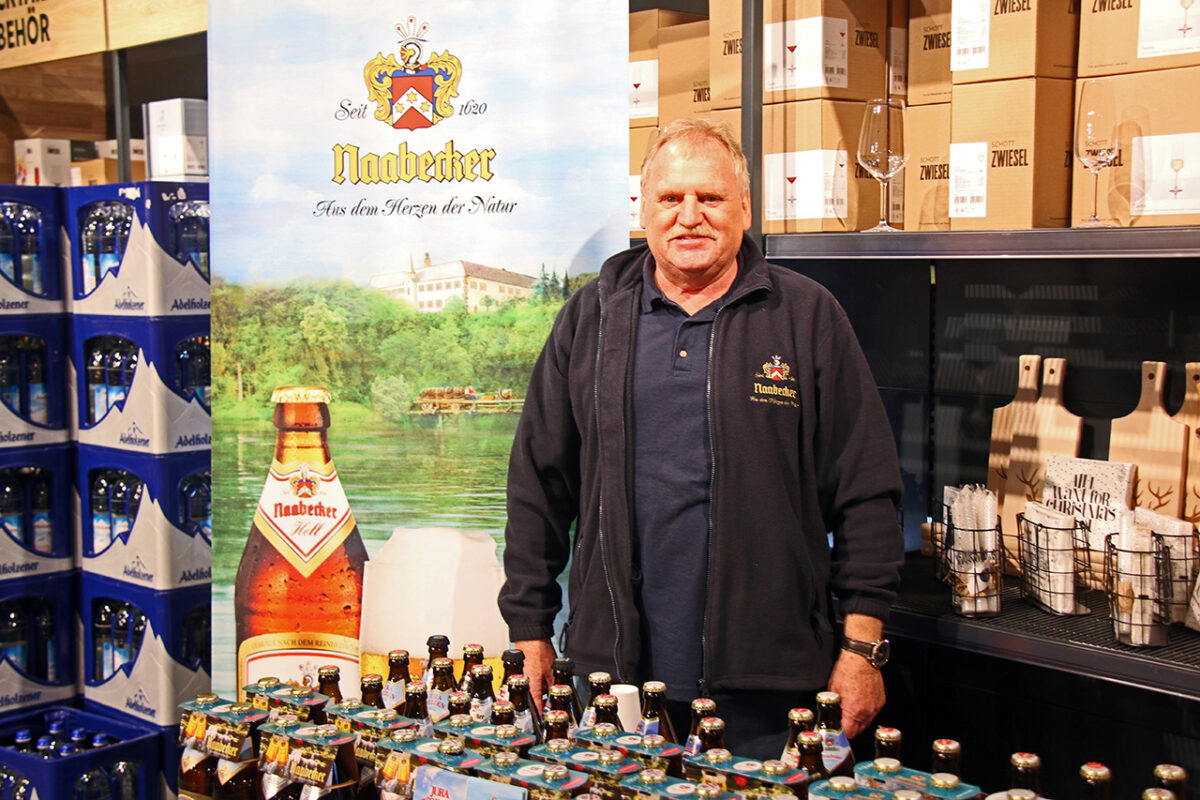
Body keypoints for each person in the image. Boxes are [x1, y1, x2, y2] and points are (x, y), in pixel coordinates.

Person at [498, 118, 904, 758]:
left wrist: (861, 649)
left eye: (710, 197)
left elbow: (866, 494)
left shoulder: (805, 315)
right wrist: (530, 627)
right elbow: (538, 485)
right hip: (614, 683)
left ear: (745, 208)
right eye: (671, 198)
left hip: (771, 686)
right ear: (643, 209)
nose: (690, 216)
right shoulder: (591, 317)